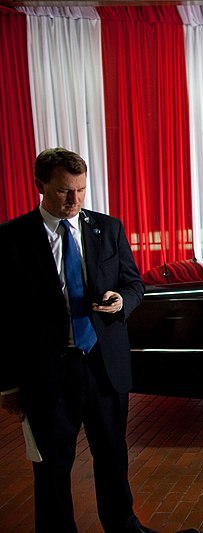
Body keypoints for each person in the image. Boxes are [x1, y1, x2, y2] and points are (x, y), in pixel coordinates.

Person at [0, 148, 153, 532]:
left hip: (104, 367)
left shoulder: (109, 228)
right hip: (47, 373)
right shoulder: (11, 239)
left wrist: (122, 301)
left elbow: (135, 284)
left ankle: (123, 525)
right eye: (65, 192)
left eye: (82, 190)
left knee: (113, 457)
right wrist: (7, 386)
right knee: (51, 467)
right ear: (39, 186)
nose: (74, 201)